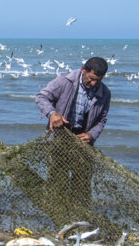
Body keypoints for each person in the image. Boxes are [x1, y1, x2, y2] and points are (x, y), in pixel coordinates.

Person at [34, 57, 111, 209]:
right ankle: (59, 219)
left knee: (81, 184)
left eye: (98, 80)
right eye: (91, 79)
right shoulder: (64, 81)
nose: (94, 83)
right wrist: (52, 114)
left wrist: (92, 135)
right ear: (83, 70)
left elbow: (102, 120)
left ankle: (78, 220)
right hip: (61, 135)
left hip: (84, 140)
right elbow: (41, 97)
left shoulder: (105, 93)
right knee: (58, 181)